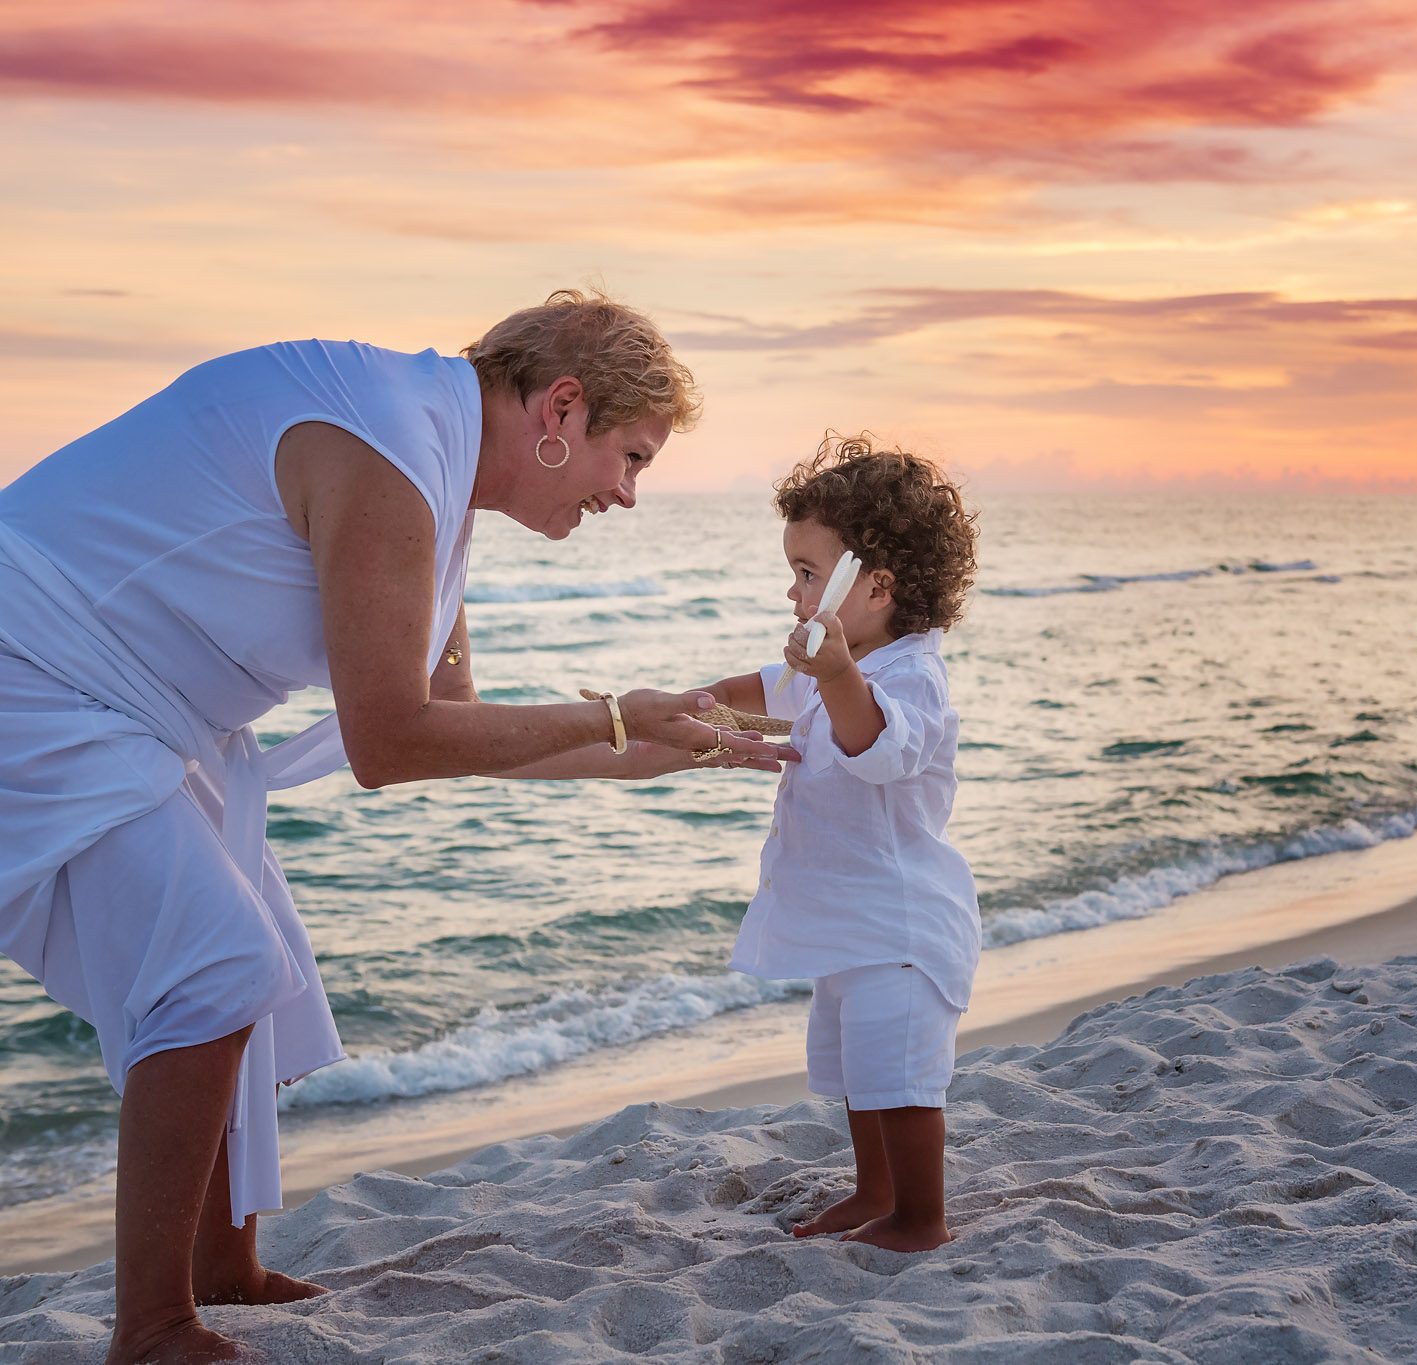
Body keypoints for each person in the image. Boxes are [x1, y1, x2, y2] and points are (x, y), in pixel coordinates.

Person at [0, 290, 795, 1365]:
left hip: (130, 703)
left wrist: (669, 739)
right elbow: (389, 740)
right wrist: (616, 713)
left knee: (255, 964)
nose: (629, 494)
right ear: (561, 407)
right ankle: (150, 1333)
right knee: (212, 966)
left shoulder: (433, 472)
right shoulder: (387, 447)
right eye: (632, 456)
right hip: (37, 672)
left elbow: (450, 733)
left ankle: (220, 1271)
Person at [691, 434, 980, 1252]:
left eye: (810, 574)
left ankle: (921, 1217)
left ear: (874, 586)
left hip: (903, 928)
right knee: (860, 1069)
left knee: (902, 1077)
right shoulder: (843, 661)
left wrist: (836, 670)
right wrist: (701, 704)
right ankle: (873, 1190)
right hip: (851, 925)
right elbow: (763, 689)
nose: (793, 591)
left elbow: (875, 743)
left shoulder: (907, 675)